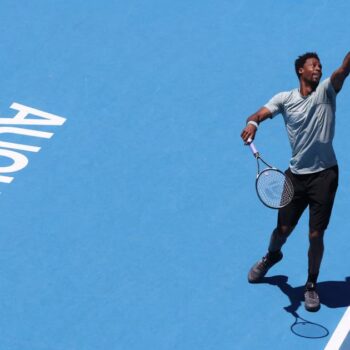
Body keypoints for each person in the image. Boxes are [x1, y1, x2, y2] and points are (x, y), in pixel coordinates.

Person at [240, 52, 350, 312]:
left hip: (325, 175)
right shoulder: (284, 99)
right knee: (283, 231)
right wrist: (253, 123)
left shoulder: (326, 92)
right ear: (300, 70)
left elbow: (343, 70)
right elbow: (258, 114)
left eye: (320, 66)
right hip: (296, 177)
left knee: (315, 234)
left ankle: (311, 284)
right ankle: (272, 256)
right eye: (313, 65)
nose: (319, 69)